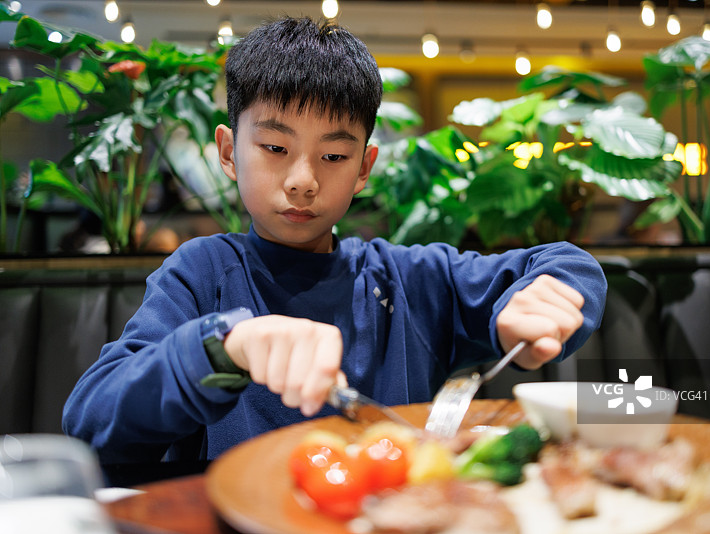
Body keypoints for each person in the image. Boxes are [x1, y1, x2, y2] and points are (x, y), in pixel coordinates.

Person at [62, 17, 607, 464]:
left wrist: (551, 292)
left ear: (365, 166)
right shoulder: (204, 273)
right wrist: (225, 348)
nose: (303, 179)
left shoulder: (409, 280)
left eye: (334, 156)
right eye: (275, 148)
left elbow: (564, 262)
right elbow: (91, 417)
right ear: (229, 153)